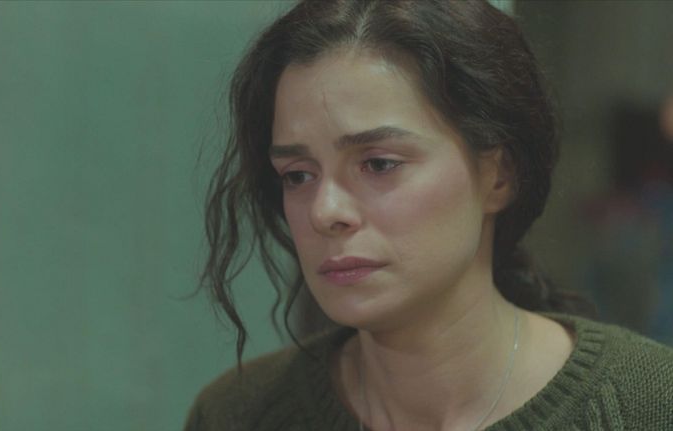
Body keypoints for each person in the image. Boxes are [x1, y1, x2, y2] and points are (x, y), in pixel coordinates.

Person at [185, 1, 673, 430]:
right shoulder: (237, 414)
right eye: (297, 175)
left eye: (379, 164)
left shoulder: (650, 404)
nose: (325, 211)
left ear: (498, 175)